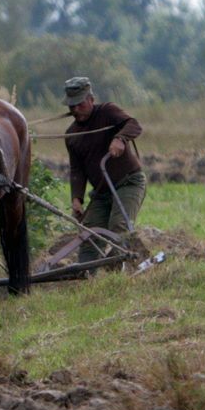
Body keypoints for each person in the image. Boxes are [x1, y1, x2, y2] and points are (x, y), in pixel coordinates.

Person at [62, 76, 146, 268]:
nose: (76, 110)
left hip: (129, 183)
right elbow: (77, 170)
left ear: (91, 99)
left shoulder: (107, 111)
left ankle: (116, 273)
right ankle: (86, 275)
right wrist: (76, 198)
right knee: (89, 235)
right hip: (101, 193)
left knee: (119, 228)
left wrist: (120, 139)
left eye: (80, 104)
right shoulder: (71, 135)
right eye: (72, 106)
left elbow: (134, 124)